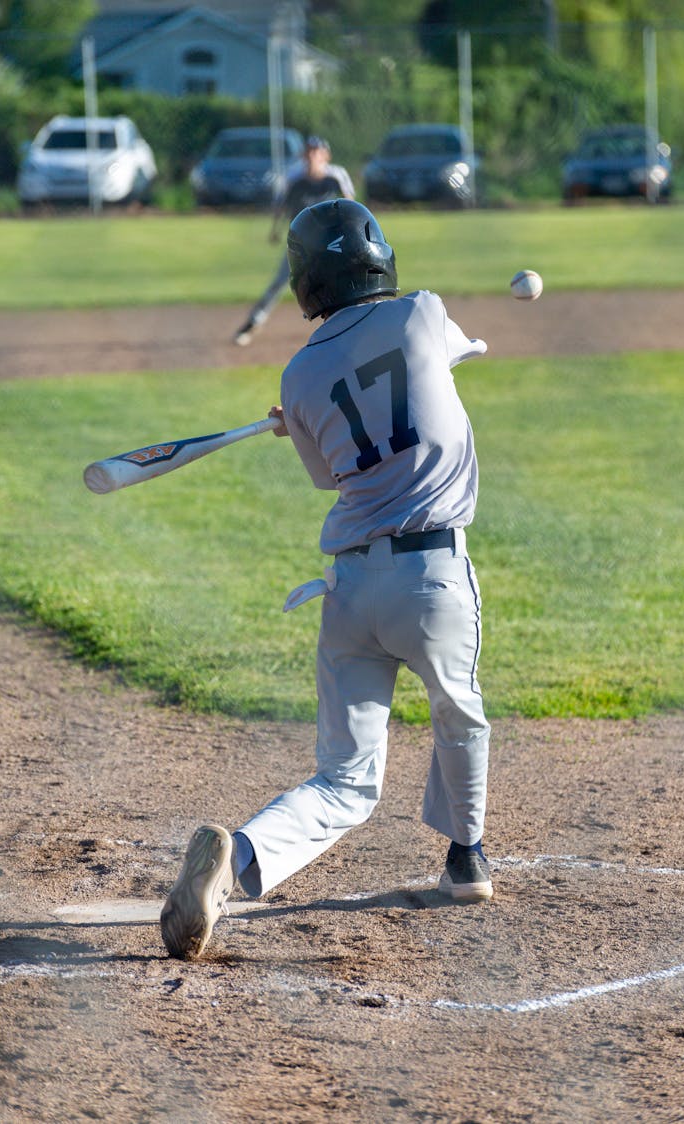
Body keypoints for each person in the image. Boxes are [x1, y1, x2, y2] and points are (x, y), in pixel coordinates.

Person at [161, 199, 492, 961]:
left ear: (306, 281)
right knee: (458, 713)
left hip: (350, 593)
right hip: (433, 578)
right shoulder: (421, 313)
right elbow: (431, 366)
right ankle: (466, 857)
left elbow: (328, 473)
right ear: (378, 255)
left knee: (345, 779)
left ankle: (239, 855)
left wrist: (296, 419)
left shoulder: (301, 371)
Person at [233, 135, 355, 346]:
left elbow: (351, 206)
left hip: (332, 243)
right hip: (302, 243)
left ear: (326, 155)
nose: (312, 156)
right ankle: (255, 320)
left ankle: (352, 324)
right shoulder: (295, 177)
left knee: (345, 280)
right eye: (309, 151)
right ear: (303, 155)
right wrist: (275, 230)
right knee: (281, 281)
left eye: (317, 151)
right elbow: (281, 206)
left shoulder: (336, 176)